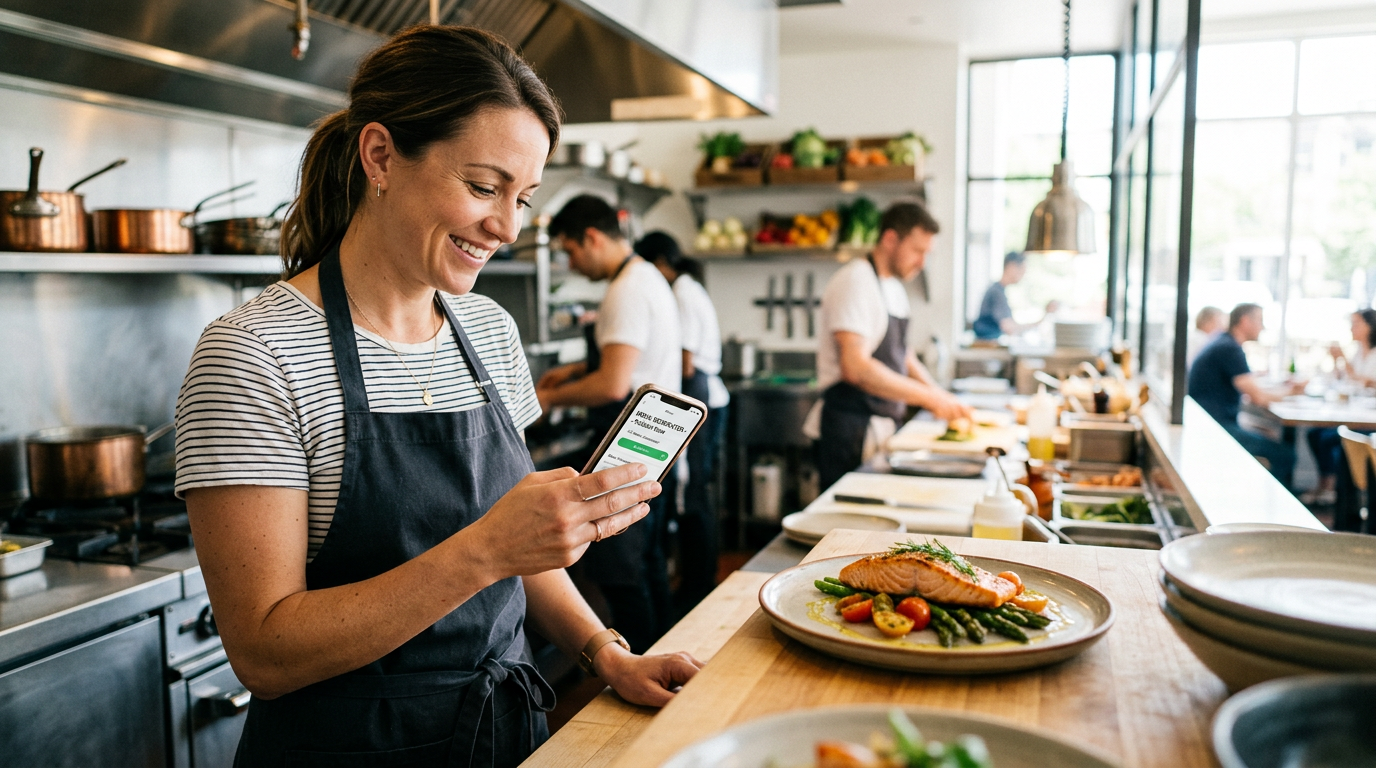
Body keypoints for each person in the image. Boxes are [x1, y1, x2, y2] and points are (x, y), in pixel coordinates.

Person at [174, 27, 699, 768]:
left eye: (523, 198)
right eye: (483, 187)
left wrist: (607, 654)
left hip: (504, 738)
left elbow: (523, 549)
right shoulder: (255, 353)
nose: (506, 227)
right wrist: (483, 552)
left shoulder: (488, 329)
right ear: (381, 156)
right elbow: (264, 652)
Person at [538, 196, 681, 652]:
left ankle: (639, 667)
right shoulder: (647, 276)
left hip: (628, 452)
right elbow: (633, 358)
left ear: (592, 238)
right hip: (657, 449)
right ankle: (666, 662)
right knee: (649, 565)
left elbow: (614, 384)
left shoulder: (625, 290)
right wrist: (577, 369)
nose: (571, 264)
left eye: (570, 251)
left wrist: (547, 397)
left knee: (623, 575)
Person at [809, 201, 974, 491]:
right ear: (889, 239)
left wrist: (939, 394)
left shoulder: (894, 288)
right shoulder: (856, 281)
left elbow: (902, 355)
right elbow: (856, 367)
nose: (922, 263)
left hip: (882, 426)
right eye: (917, 251)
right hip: (852, 429)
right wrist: (929, 398)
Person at [639, 231, 728, 612]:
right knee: (695, 494)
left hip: (700, 398)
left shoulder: (683, 293)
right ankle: (697, 583)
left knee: (694, 497)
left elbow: (686, 363)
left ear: (660, 263)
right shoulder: (687, 288)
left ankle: (698, 587)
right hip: (706, 397)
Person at [1187, 303, 1300, 487]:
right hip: (1216, 428)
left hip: (1209, 421)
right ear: (1245, 321)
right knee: (1285, 456)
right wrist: (1294, 392)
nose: (1263, 327)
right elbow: (1258, 397)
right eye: (1260, 321)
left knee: (1269, 436)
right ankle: (1268, 503)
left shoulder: (1223, 342)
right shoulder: (1229, 348)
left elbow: (1249, 387)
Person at [1303, 308, 1376, 504]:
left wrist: (1344, 361)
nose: (1352, 328)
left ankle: (1332, 488)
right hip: (1356, 413)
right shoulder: (1359, 352)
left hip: (1369, 420)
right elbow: (1346, 380)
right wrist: (1338, 361)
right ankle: (1326, 484)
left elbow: (1363, 380)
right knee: (1314, 433)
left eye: (1356, 323)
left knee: (1328, 438)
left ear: (1370, 326)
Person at [972, 252, 1057, 340]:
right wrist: (1041, 320)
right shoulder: (996, 293)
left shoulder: (999, 290)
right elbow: (1009, 328)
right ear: (1011, 267)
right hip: (988, 344)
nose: (1023, 275)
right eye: (1022, 270)